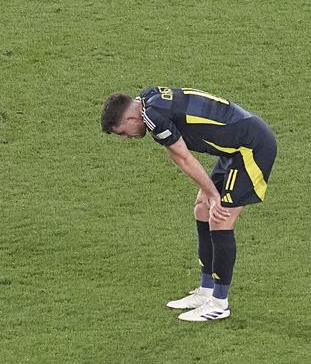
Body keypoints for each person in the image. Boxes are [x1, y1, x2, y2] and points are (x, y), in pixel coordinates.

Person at [100, 87, 277, 321]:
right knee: (202, 209)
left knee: (220, 217)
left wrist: (214, 195)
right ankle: (205, 291)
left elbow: (183, 157)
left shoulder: (153, 117)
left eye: (122, 132)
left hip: (252, 148)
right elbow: (175, 152)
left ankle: (219, 303)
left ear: (131, 118)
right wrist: (208, 193)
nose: (126, 138)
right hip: (234, 150)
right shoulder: (148, 99)